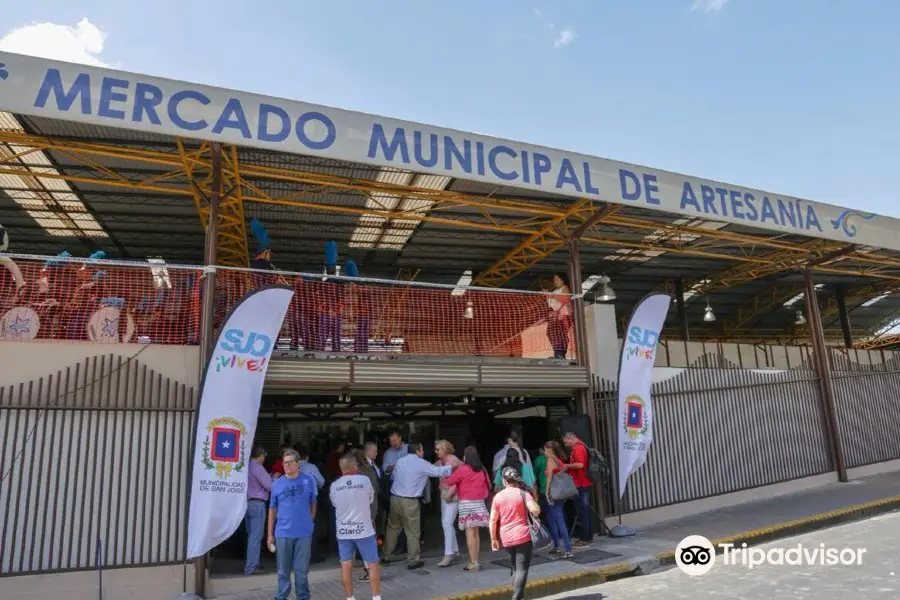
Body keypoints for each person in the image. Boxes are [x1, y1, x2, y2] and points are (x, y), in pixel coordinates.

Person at [382, 442, 453, 569]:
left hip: (395, 499)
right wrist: (451, 466)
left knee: (392, 529)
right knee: (413, 532)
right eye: (422, 450)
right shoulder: (421, 462)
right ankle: (413, 561)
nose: (423, 452)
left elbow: (393, 476)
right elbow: (437, 472)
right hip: (410, 501)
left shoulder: (400, 461)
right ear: (418, 451)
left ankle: (385, 556)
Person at [330, 455, 383, 600]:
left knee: (346, 565)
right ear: (354, 466)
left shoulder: (334, 485)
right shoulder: (364, 480)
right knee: (372, 564)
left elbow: (335, 504)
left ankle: (350, 598)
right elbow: (371, 499)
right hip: (364, 530)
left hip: (344, 532)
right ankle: (376, 597)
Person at [267, 449, 318, 600]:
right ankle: (281, 597)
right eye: (285, 462)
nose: (287, 465)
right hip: (283, 533)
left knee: (301, 572)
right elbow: (272, 510)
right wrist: (270, 535)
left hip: (303, 534)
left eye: (290, 462)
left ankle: (303, 597)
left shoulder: (308, 480)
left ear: (298, 464)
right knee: (283, 572)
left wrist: (310, 521)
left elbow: (313, 503)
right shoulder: (277, 484)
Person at [489, 467, 541, 600]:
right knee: (522, 569)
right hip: (523, 535)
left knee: (514, 568)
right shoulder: (523, 494)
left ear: (504, 480)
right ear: (516, 480)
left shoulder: (497, 497)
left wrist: (493, 538)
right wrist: (535, 509)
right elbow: (535, 510)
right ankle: (516, 598)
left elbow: (493, 520)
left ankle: (520, 597)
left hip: (506, 536)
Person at [442, 445, 492, 572]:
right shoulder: (481, 469)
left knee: (470, 533)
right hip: (479, 503)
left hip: (466, 504)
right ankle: (476, 560)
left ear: (465, 457)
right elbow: (489, 485)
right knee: (476, 533)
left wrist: (451, 468)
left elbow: (449, 481)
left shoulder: (463, 469)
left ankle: (473, 562)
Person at [349, 447, 380, 583]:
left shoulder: (358, 473)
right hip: (371, 509)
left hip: (361, 511)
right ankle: (372, 570)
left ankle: (370, 572)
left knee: (363, 541)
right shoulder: (371, 469)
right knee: (369, 540)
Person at [434, 439, 464, 567]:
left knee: (447, 523)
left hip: (453, 495)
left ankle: (448, 554)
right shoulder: (441, 462)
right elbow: (431, 468)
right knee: (446, 523)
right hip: (444, 494)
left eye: (438, 449)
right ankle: (455, 550)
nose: (436, 452)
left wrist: (450, 493)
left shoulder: (454, 461)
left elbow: (458, 480)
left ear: (445, 449)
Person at [245, 445, 273, 575]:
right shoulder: (258, 467)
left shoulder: (246, 466)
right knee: (256, 537)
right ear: (261, 456)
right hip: (258, 504)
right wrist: (275, 478)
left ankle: (253, 564)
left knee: (251, 536)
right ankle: (251, 568)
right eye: (264, 456)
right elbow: (270, 485)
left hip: (247, 504)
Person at [562, 431, 593, 547]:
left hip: (581, 483)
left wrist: (566, 466)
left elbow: (580, 465)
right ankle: (588, 537)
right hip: (582, 483)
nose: (566, 445)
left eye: (566, 442)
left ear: (571, 439)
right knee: (585, 512)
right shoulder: (581, 446)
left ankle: (585, 538)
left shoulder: (578, 448)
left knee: (583, 512)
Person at [542, 441, 573, 558]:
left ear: (549, 450)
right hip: (560, 494)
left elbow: (549, 477)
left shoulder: (550, 460)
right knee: (558, 519)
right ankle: (560, 547)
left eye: (545, 449)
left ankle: (567, 549)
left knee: (558, 521)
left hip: (553, 493)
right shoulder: (559, 460)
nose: (544, 452)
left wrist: (546, 491)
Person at [545, 273, 573, 359]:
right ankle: (558, 352)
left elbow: (566, 299)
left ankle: (560, 353)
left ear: (562, 280)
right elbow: (550, 305)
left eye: (557, 279)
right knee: (551, 333)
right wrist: (547, 296)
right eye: (554, 279)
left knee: (559, 333)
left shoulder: (564, 288)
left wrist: (552, 296)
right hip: (555, 314)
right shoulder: (554, 291)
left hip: (563, 314)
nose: (555, 281)